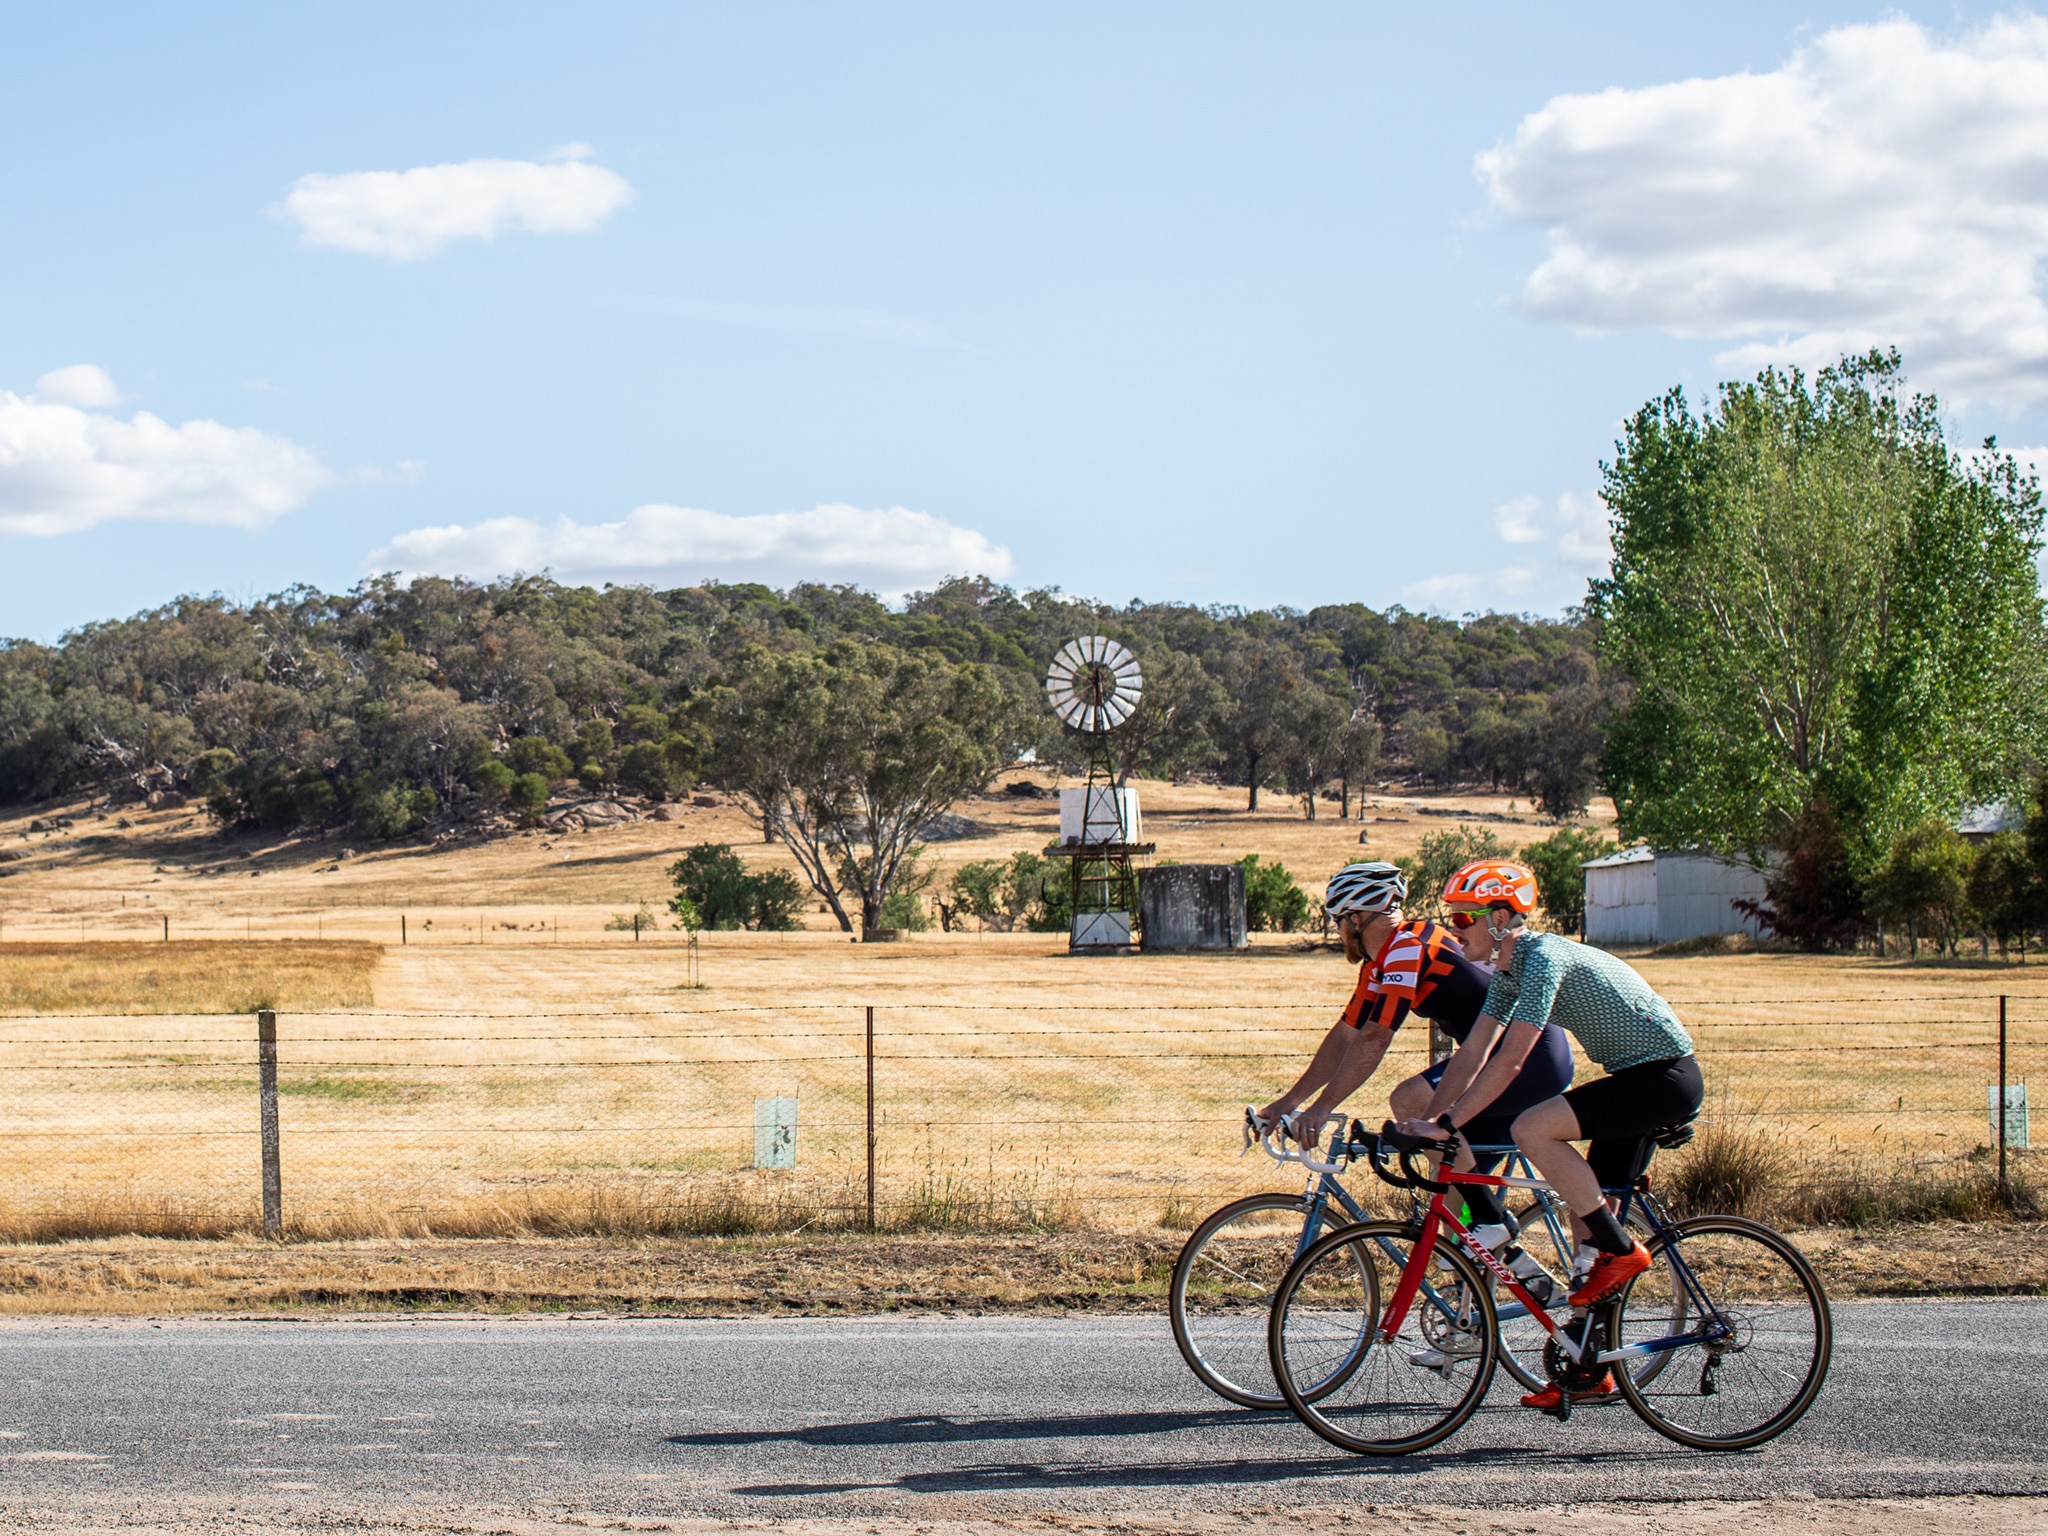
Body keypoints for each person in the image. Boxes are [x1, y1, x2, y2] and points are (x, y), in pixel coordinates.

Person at [1402, 858, 1703, 1409]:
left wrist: (1449, 1122)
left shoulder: (1541, 959)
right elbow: (1473, 1052)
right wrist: (1434, 1120)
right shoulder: (1510, 973)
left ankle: (1624, 1251)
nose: (1452, 931)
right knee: (1581, 1221)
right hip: (1639, 1077)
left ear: (1498, 918)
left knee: (1531, 1127)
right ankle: (1590, 1370)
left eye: (1461, 919)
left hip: (1663, 1077)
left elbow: (1511, 1061)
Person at [1257, 861, 1575, 1282]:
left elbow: (1374, 1037)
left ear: (1355, 919)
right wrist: (1287, 1103)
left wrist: (1322, 1108)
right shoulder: (1382, 960)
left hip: (1528, 1058)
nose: (1338, 932)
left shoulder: (1407, 946)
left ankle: (1491, 1226)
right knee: (1453, 1203)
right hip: (1503, 1059)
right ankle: (1487, 1310)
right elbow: (1346, 1035)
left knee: (1410, 1099)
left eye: (1338, 922)